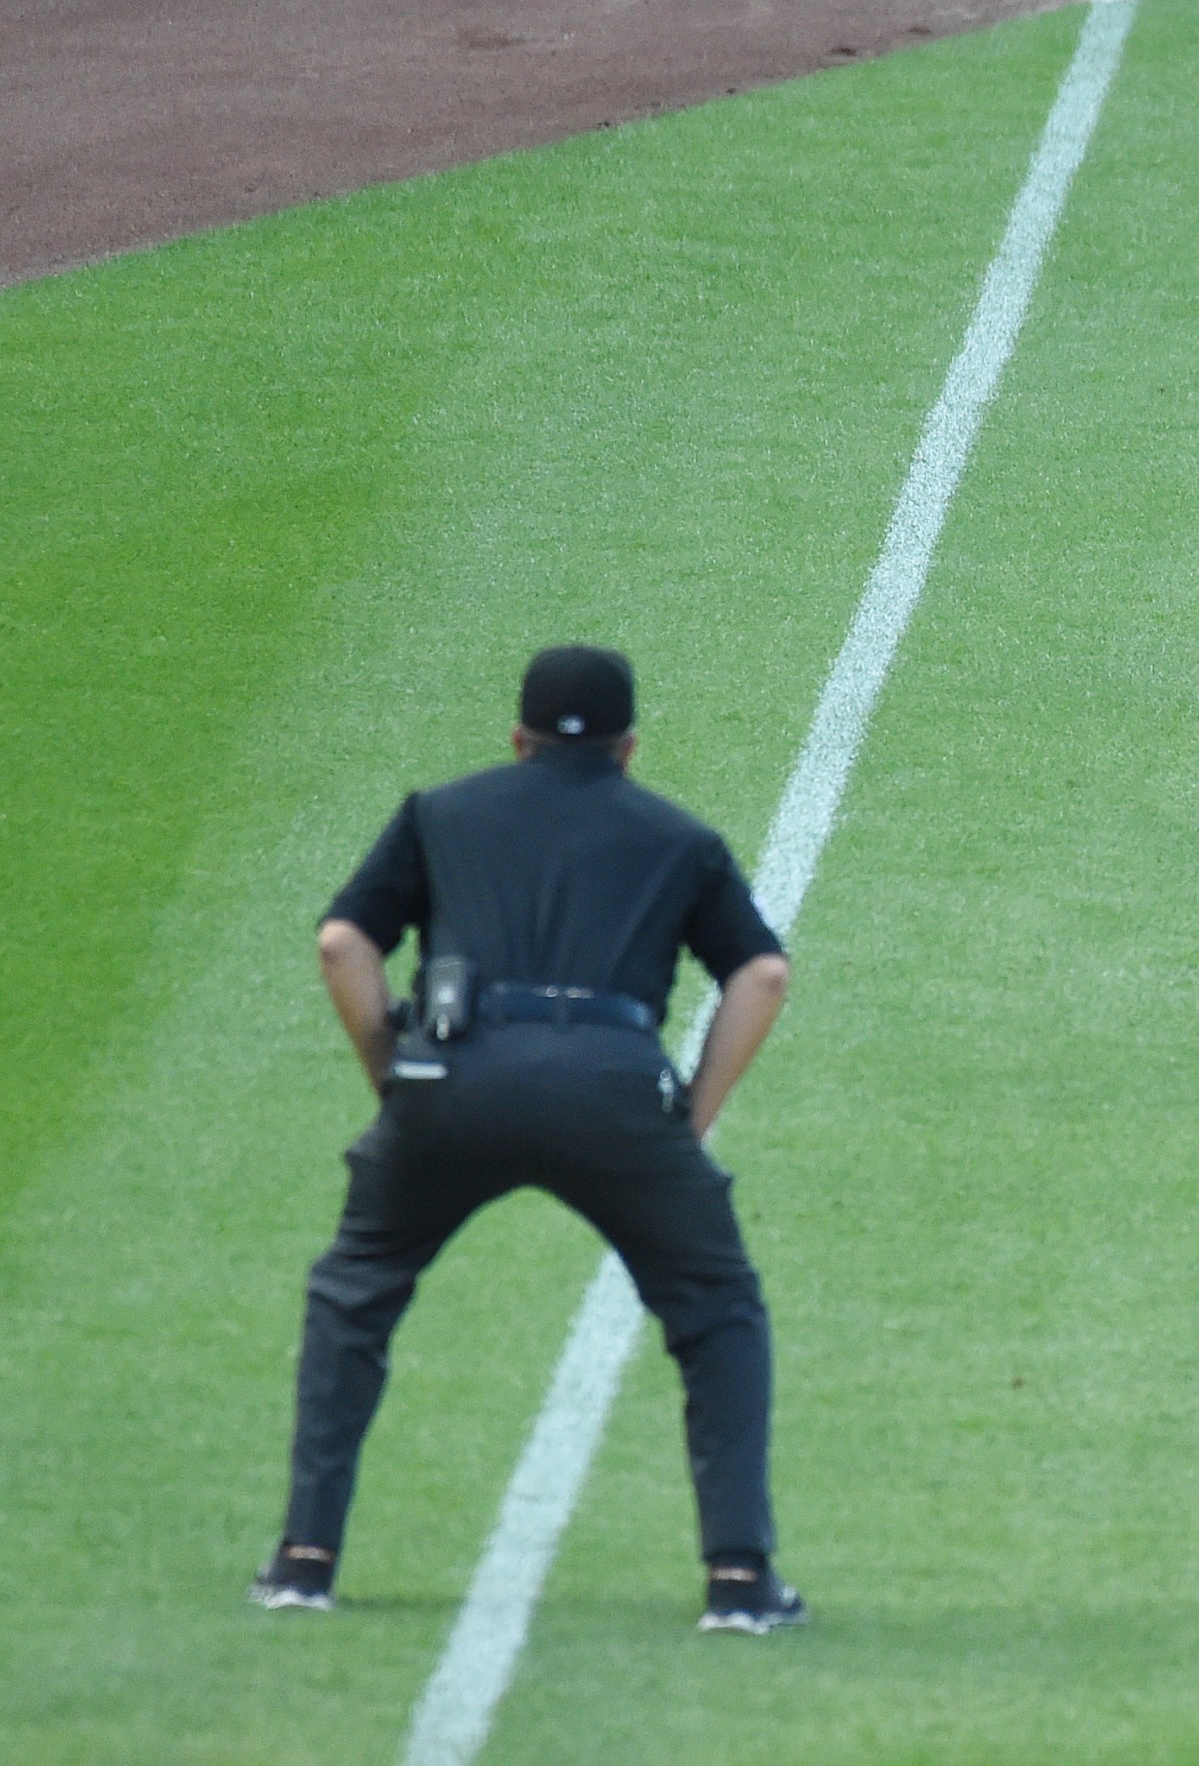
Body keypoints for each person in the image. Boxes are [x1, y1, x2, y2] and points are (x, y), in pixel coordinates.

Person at [250, 645, 806, 1632]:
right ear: (630, 749)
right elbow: (759, 975)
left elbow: (343, 945)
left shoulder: (440, 812)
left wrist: (397, 1085)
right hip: (614, 1086)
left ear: (516, 738)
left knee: (356, 1291)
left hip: (452, 1081)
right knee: (716, 1306)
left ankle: (303, 1558)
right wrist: (687, 1119)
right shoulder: (678, 837)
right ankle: (739, 1580)